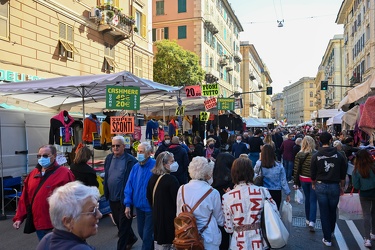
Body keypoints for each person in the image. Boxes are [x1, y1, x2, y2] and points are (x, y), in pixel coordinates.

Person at [13, 145, 75, 240]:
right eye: (39, 156)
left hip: (58, 224)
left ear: (54, 156)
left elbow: (73, 200)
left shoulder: (65, 173)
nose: (42, 158)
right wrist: (19, 218)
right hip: (40, 224)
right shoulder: (33, 174)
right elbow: (25, 198)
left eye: (46, 155)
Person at [222, 157, 277, 250]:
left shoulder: (227, 197)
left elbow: (229, 228)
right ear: (251, 172)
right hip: (260, 242)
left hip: (238, 244)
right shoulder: (263, 191)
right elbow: (275, 213)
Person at [36, 181, 102, 250]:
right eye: (92, 210)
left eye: (97, 207)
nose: (99, 215)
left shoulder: (47, 240)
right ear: (68, 222)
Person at [176, 156, 224, 249]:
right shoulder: (212, 192)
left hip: (187, 236)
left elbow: (179, 214)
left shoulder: (181, 189)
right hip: (209, 236)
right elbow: (220, 220)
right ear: (208, 173)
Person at [310, 132, 347, 247]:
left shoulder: (316, 155)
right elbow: (343, 173)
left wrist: (313, 183)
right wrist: (342, 186)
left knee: (324, 212)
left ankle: (327, 238)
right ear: (331, 140)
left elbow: (313, 172)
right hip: (334, 185)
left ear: (320, 140)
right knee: (332, 210)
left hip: (321, 184)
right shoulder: (339, 155)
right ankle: (330, 232)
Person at [103, 135, 138, 250]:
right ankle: (132, 238)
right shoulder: (108, 158)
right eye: (113, 146)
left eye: (118, 146)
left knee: (123, 227)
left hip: (125, 198)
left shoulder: (131, 160)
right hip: (112, 197)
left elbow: (133, 180)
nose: (115, 148)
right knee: (119, 223)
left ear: (123, 146)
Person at [125, 142, 155, 250]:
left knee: (147, 236)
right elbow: (129, 186)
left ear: (148, 154)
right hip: (139, 207)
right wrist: (128, 204)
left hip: (151, 207)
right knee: (142, 233)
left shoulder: (155, 166)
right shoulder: (135, 167)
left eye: (141, 152)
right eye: (138, 151)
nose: (139, 154)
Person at [147, 152, 180, 250]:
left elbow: (148, 197)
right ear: (164, 164)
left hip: (157, 219)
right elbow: (177, 201)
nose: (175, 163)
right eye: (172, 161)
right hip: (170, 221)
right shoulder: (171, 180)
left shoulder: (152, 178)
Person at [254, 144, 291, 209]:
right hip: (276, 190)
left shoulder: (260, 164)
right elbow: (283, 181)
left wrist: (259, 160)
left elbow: (254, 172)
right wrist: (287, 193)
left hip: (263, 190)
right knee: (275, 212)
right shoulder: (279, 165)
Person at [293, 136, 317, 232]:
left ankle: (307, 218)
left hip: (303, 178)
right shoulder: (316, 153)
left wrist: (295, 182)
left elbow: (296, 169)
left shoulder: (299, 154)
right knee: (313, 200)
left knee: (307, 198)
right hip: (313, 179)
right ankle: (312, 221)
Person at [352, 149, 375, 248]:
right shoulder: (373, 166)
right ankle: (373, 233)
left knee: (366, 215)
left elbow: (356, 186)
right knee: (374, 213)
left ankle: (367, 238)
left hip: (364, 194)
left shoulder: (357, 170)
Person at [212, 152, 235, 250]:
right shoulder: (233, 181)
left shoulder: (213, 180)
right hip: (233, 217)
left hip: (219, 219)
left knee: (223, 242)